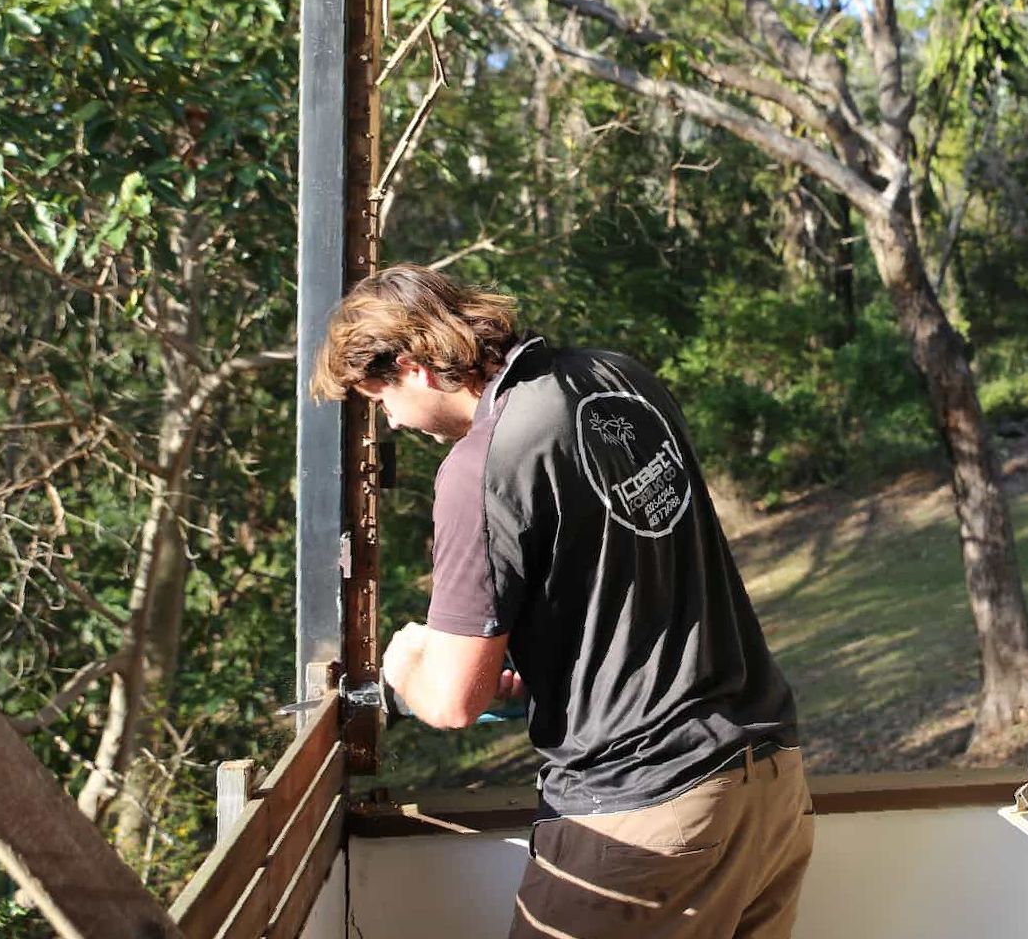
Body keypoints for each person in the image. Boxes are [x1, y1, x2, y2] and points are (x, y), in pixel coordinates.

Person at [311, 264, 812, 939]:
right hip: (770, 785)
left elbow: (454, 702)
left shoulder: (482, 466)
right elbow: (632, 569)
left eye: (380, 398)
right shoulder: (618, 378)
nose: (391, 420)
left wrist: (405, 665)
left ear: (412, 367)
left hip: (647, 813)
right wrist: (545, 670)